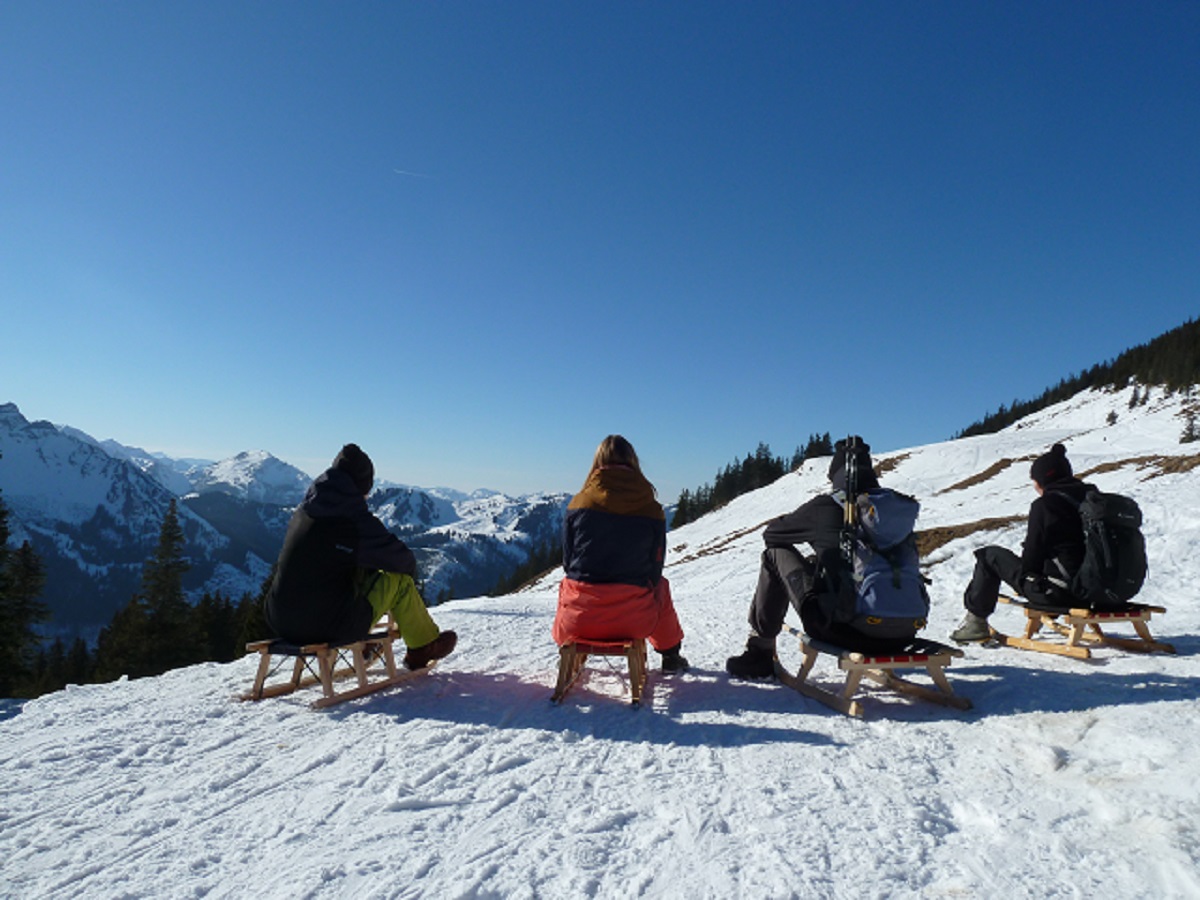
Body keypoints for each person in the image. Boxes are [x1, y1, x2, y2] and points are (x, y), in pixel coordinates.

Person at [726, 436, 922, 679]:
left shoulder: (827, 506)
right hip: (905, 633)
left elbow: (773, 536)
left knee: (773, 555)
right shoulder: (896, 512)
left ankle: (760, 650)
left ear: (836, 476)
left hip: (843, 631)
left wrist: (819, 552)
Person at [265, 444, 456, 670]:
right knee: (399, 582)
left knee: (341, 574)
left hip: (279, 619)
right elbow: (403, 561)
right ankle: (423, 647)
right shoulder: (354, 521)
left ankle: (369, 643)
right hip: (324, 626)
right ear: (362, 487)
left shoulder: (305, 511)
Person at [553, 435, 688, 673]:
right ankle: (671, 656)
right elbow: (655, 569)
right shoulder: (651, 509)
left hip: (577, 621)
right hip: (634, 622)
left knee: (569, 583)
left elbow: (568, 562)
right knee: (661, 587)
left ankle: (566, 649)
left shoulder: (578, 503)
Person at [951, 442, 1095, 642]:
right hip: (1103, 591)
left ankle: (975, 623)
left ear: (1043, 480)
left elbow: (1031, 562)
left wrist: (1029, 568)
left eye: (1035, 481)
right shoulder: (1096, 501)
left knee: (989, 556)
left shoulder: (1045, 505)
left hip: (1063, 594)